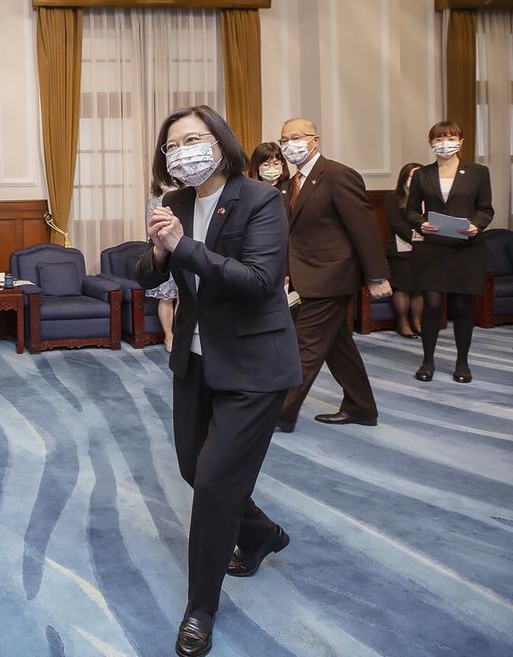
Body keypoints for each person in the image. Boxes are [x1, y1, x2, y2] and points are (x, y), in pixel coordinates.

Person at [136, 105, 300, 657]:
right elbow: (152, 272)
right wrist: (159, 252)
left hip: (254, 363)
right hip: (198, 359)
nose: (182, 151)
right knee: (192, 466)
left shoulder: (261, 199)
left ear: (220, 141)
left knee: (211, 486)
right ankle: (258, 533)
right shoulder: (174, 202)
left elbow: (258, 280)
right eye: (172, 144)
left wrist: (183, 246)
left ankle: (200, 608)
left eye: (192, 139)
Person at [274, 118, 390, 433]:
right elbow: (291, 236)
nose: (290, 143)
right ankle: (361, 406)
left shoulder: (338, 176)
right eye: (285, 138)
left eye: (297, 136)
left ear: (316, 140)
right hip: (303, 276)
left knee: (305, 345)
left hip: (331, 275)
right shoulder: (287, 184)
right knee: (339, 347)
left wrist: (377, 276)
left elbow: (364, 228)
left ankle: (281, 412)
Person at [405, 121, 494, 383]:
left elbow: (486, 208)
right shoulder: (423, 174)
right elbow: (410, 210)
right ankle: (427, 361)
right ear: (431, 143)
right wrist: (421, 223)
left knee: (461, 306)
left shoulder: (478, 172)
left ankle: (462, 363)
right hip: (432, 248)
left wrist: (475, 226)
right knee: (432, 304)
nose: (446, 142)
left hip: (466, 248)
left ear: (461, 140)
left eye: (451, 136)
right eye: (440, 138)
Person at [384, 162, 424, 338]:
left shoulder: (428, 199)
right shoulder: (393, 198)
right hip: (400, 251)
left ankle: (417, 322)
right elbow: (397, 224)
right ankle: (403, 322)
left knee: (419, 289)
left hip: (424, 251)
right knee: (403, 288)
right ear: (404, 179)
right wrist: (418, 238)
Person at [145, 178, 180, 351]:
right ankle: (169, 335)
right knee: (166, 297)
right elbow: (151, 231)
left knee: (184, 296)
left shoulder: (186, 198)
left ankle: (181, 334)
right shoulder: (154, 202)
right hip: (165, 253)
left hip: (183, 251)